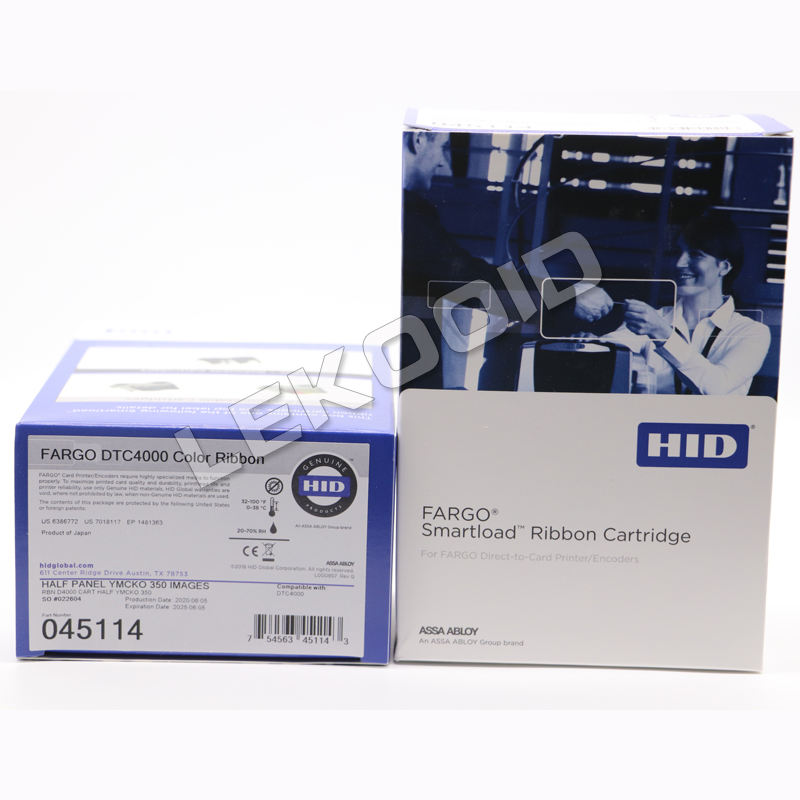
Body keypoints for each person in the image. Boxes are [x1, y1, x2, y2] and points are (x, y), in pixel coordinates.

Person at [401, 131, 613, 388]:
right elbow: (470, 280)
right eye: (442, 147)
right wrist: (564, 298)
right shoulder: (406, 215)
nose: (442, 163)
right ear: (419, 140)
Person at [598, 212, 770, 395]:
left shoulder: (751, 332)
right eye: (677, 252)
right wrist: (589, 340)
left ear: (724, 267)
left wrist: (662, 334)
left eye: (695, 254)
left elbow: (717, 387)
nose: (679, 263)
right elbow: (607, 350)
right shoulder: (654, 320)